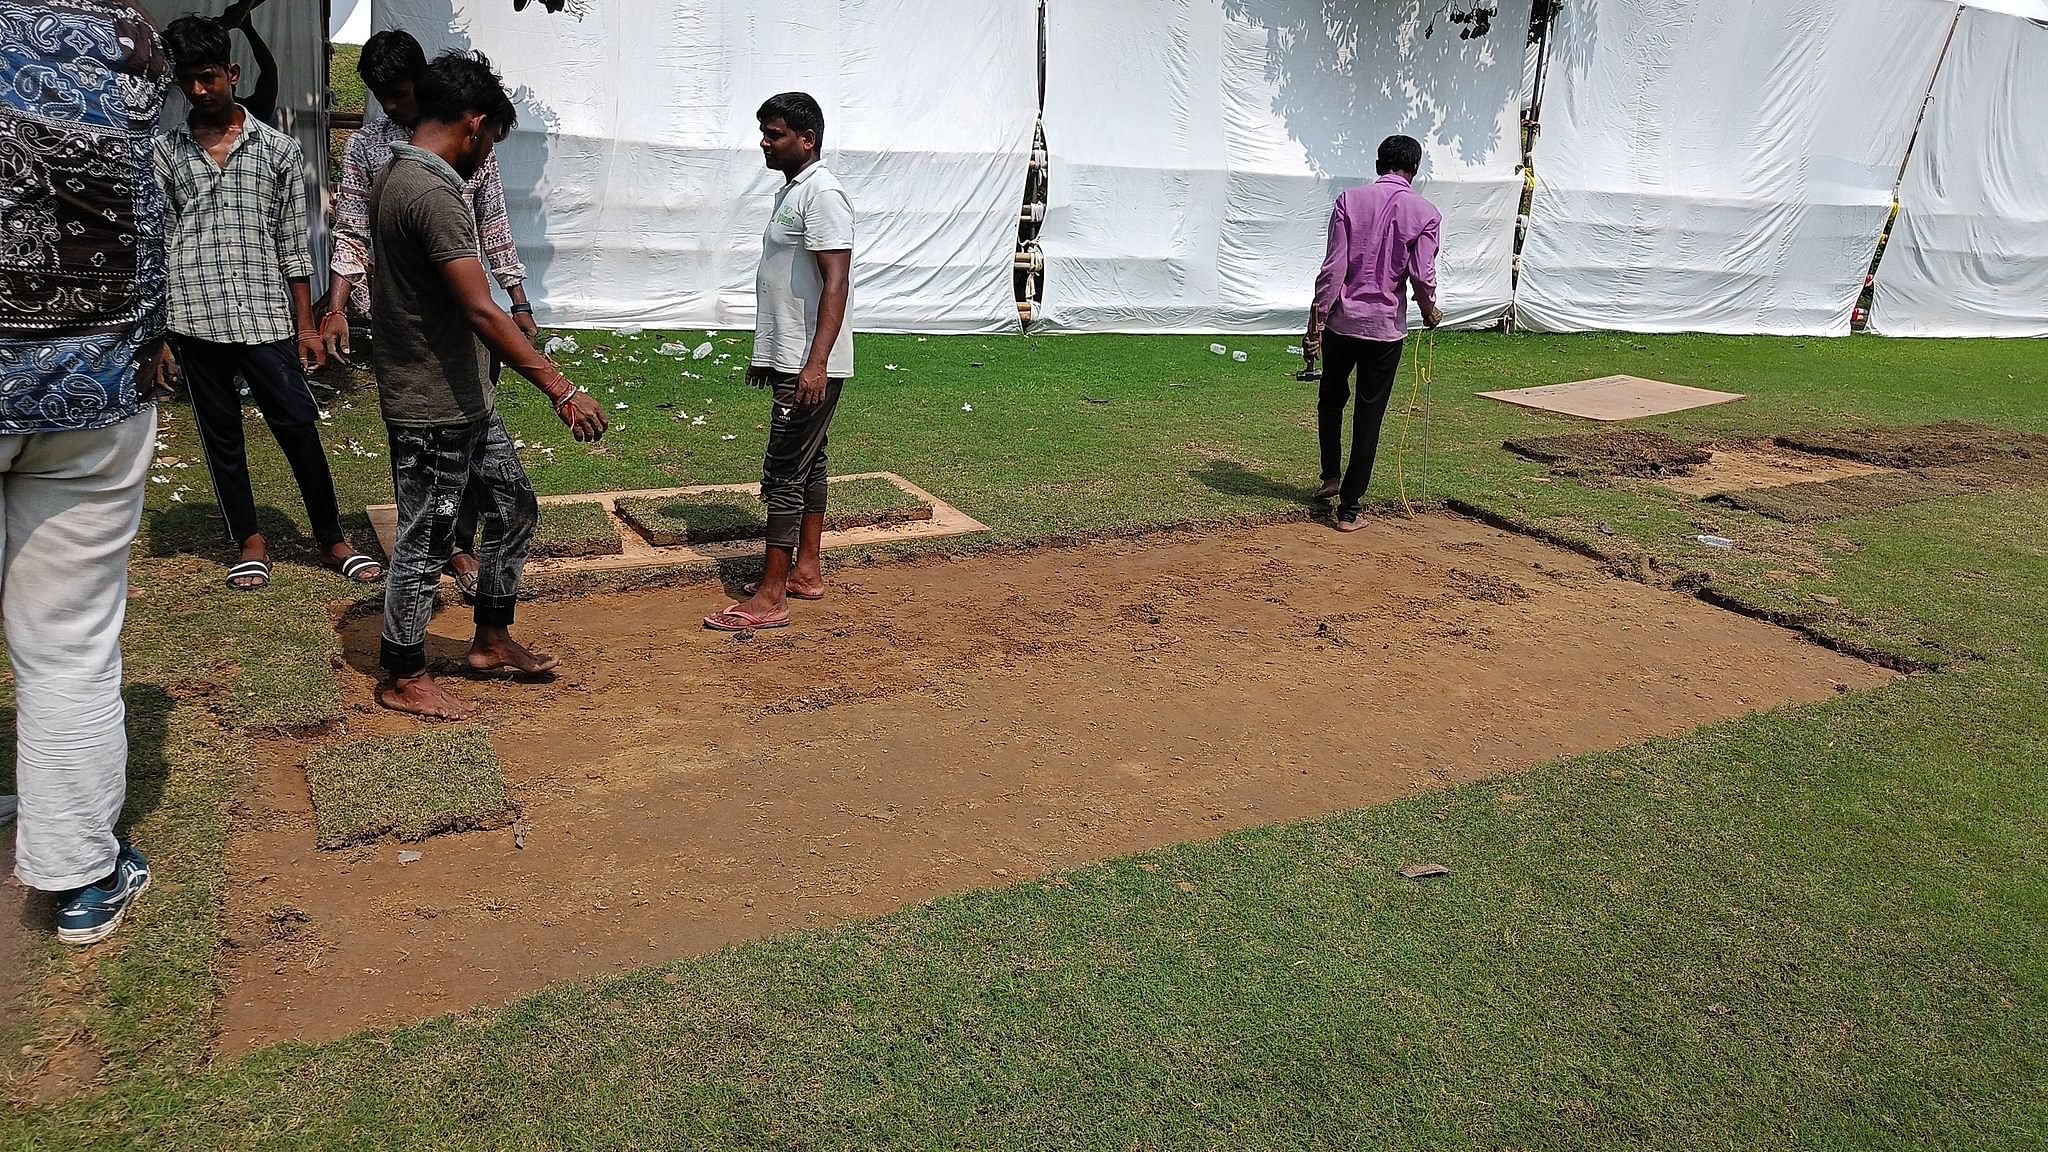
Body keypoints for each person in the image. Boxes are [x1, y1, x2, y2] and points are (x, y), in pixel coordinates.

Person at [2, 0, 174, 945]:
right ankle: (77, 873)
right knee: (67, 642)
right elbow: (140, 210)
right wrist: (146, 341)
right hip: (86, 384)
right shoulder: (118, 37)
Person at [371, 50, 605, 720]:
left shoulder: (408, 176)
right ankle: (404, 674)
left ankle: (492, 638)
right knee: (428, 537)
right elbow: (480, 308)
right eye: (491, 141)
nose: (487, 156)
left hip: (465, 396)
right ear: (474, 124)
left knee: (512, 509)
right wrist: (561, 389)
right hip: (432, 406)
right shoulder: (430, 192)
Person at [156, 16, 380, 590]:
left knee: (297, 423)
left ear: (232, 73)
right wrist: (157, 333)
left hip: (264, 315)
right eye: (189, 81)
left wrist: (306, 325)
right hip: (192, 314)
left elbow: (291, 242)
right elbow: (155, 241)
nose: (200, 90)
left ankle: (332, 537)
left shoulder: (277, 150)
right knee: (220, 433)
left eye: (209, 77)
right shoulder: (164, 153)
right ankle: (248, 541)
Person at [324, 29, 540, 604]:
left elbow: (492, 222)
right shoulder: (410, 175)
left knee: (498, 489)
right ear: (477, 127)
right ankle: (406, 660)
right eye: (383, 96)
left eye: (400, 92)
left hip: (466, 338)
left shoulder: (454, 156)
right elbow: (352, 229)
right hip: (421, 341)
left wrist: (516, 299)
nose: (394, 106)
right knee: (427, 504)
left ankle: (479, 598)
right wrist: (337, 305)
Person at [705, 92, 854, 632]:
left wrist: (815, 365)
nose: (764, 143)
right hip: (792, 357)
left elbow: (835, 282)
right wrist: (768, 356)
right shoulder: (794, 193)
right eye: (765, 133)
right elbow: (788, 283)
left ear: (806, 139)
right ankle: (805, 571)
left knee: (784, 469)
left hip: (811, 362)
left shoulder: (825, 195)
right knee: (809, 463)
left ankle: (771, 596)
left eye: (774, 134)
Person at [1305, 134, 1442, 533]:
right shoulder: (1426, 213)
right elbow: (1421, 274)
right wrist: (1430, 309)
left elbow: (1333, 269)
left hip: (1342, 322)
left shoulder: (1349, 201)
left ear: (1378, 163)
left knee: (1330, 398)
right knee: (1369, 415)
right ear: (1415, 169)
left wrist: (1317, 321)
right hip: (1384, 331)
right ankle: (1349, 509)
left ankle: (1330, 476)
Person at [215, 0, 278, 125]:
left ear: (233, 75)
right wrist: (247, 29)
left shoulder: (253, 114)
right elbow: (269, 70)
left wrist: (248, 29)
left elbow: (269, 71)